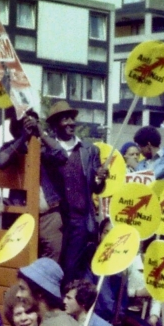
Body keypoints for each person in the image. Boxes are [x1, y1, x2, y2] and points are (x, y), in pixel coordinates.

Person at [0, 107, 68, 262]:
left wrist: (40, 132)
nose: (30, 127)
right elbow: (0, 162)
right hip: (22, 214)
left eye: (33, 123)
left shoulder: (46, 148)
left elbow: (62, 155)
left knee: (52, 256)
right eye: (26, 124)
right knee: (23, 258)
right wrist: (23, 138)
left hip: (49, 215)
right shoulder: (13, 146)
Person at [46, 101, 108, 282]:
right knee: (57, 264)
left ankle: (72, 303)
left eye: (72, 118)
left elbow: (96, 187)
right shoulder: (46, 149)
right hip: (56, 218)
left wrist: (101, 178)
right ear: (55, 124)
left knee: (74, 268)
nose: (71, 123)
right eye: (65, 119)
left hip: (81, 220)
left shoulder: (89, 150)